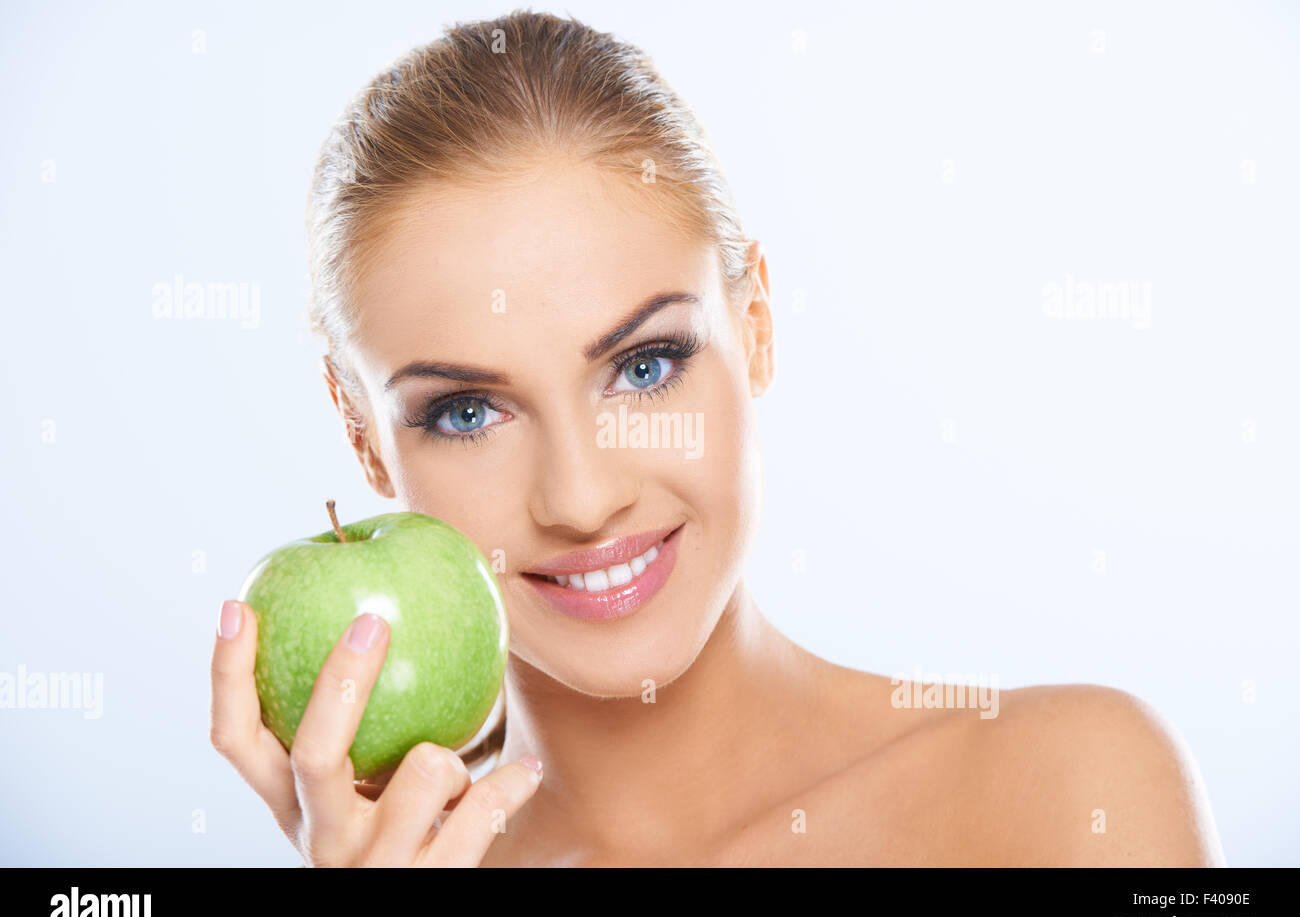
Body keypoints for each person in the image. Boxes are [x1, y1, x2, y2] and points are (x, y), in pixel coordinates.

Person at [209, 9, 1225, 867]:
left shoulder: (1073, 783)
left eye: (644, 366)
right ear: (365, 437)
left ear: (756, 328)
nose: (579, 497)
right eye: (467, 412)